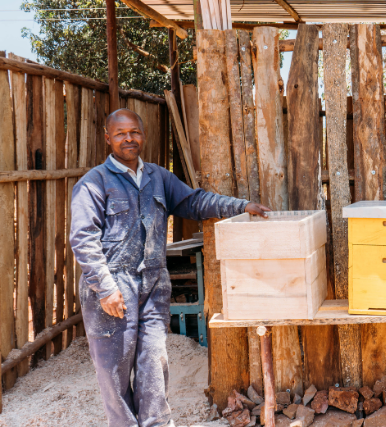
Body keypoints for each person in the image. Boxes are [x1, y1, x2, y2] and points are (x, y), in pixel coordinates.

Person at [69, 108, 270, 427]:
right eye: (120, 133)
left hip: (152, 289)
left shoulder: (158, 178)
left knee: (154, 366)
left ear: (143, 135)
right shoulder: (93, 184)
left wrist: (240, 206)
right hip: (110, 291)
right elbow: (83, 239)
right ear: (108, 138)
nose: (128, 138)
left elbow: (195, 202)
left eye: (134, 131)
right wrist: (106, 289)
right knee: (114, 375)